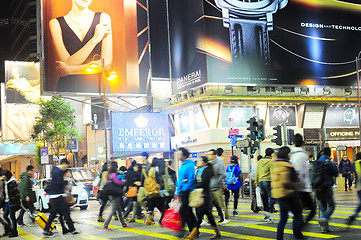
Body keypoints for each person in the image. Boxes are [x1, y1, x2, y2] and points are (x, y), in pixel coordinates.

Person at [49, 0, 112, 92]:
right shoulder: (55, 23)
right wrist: (94, 40)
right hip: (69, 87)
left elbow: (105, 64)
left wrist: (69, 70)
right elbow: (67, 62)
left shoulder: (103, 18)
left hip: (98, 87)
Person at [271, 146, 305, 240]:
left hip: (279, 194)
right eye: (289, 154)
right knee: (298, 214)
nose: (290, 156)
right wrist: (295, 184)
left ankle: (279, 237)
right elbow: (286, 182)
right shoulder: (287, 166)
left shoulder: (276, 165)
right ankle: (298, 235)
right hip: (288, 194)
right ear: (287, 155)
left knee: (283, 219)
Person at [42, 159, 79, 237]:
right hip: (58, 195)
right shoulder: (58, 171)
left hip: (56, 195)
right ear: (64, 163)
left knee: (54, 214)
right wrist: (66, 182)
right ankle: (72, 230)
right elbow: (58, 183)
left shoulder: (57, 171)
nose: (66, 168)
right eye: (67, 165)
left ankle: (46, 230)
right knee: (65, 213)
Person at [186, 156, 221, 240]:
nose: (197, 162)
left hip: (205, 195)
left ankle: (193, 233)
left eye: (199, 161)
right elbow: (196, 181)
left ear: (204, 162)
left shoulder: (207, 170)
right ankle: (217, 232)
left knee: (200, 214)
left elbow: (204, 183)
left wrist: (192, 186)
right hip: (199, 195)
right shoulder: (198, 170)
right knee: (208, 215)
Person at [311, 147, 338, 233]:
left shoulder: (315, 163)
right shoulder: (329, 162)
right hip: (326, 187)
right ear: (329, 154)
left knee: (322, 207)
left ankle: (324, 228)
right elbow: (335, 173)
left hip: (317, 188)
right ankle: (324, 218)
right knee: (331, 205)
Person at [290, 134, 315, 224]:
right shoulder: (302, 155)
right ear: (302, 143)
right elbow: (300, 172)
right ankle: (299, 230)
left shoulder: (292, 154)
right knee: (311, 210)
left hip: (295, 187)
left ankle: (298, 231)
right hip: (302, 187)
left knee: (298, 211)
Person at [176, 147, 197, 238]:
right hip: (182, 191)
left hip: (187, 191)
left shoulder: (189, 165)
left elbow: (190, 179)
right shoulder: (183, 165)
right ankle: (194, 230)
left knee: (183, 211)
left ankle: (181, 230)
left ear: (184, 155)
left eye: (179, 154)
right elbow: (181, 180)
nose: (177, 155)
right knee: (188, 213)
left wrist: (185, 186)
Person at [103, 161, 130, 230]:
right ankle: (105, 225)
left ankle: (123, 224)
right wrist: (123, 181)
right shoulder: (113, 174)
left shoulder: (109, 175)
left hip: (110, 193)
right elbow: (117, 182)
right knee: (113, 210)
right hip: (115, 194)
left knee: (118, 210)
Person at [207, 148, 229, 224]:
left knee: (221, 204)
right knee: (208, 204)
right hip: (209, 187)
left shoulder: (219, 162)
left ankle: (226, 218)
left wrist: (217, 182)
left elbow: (223, 174)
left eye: (209, 154)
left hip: (217, 187)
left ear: (214, 155)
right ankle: (206, 220)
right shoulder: (208, 163)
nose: (208, 156)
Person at [145, 159, 165, 225]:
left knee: (152, 203)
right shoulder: (155, 170)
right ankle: (164, 218)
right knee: (160, 204)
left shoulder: (150, 170)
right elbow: (156, 179)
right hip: (156, 189)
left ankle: (148, 219)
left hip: (151, 189)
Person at [256, 148, 277, 213]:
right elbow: (272, 173)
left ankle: (266, 212)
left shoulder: (260, 161)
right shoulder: (270, 162)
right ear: (271, 154)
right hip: (267, 181)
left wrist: (256, 182)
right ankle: (271, 208)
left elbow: (257, 172)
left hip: (261, 181)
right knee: (271, 196)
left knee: (264, 198)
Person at [2, 170, 21, 238]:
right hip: (6, 202)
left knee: (12, 217)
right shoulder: (6, 182)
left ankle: (14, 231)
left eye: (4, 176)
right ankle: (10, 229)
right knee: (5, 216)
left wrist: (18, 202)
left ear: (7, 175)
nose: (3, 177)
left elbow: (17, 193)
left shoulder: (12, 182)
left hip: (12, 202)